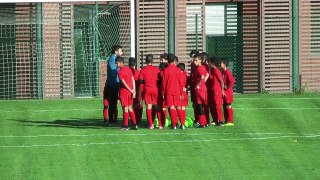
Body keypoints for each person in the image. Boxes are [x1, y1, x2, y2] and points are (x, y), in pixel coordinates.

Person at [138, 54, 160, 129]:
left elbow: (140, 82)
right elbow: (159, 80)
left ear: (145, 61)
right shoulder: (156, 69)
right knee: (156, 105)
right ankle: (160, 124)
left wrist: (140, 92)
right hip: (155, 89)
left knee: (149, 106)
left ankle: (150, 124)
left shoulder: (143, 70)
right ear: (152, 60)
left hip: (147, 89)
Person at [115, 56, 138, 130]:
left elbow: (124, 83)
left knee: (125, 108)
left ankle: (126, 125)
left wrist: (131, 90)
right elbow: (132, 80)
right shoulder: (129, 69)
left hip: (124, 92)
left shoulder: (120, 72)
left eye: (117, 63)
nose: (116, 65)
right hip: (130, 92)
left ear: (121, 63)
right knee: (130, 107)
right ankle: (134, 124)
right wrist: (133, 90)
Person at [103, 45, 123, 125]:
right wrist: (119, 81)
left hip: (113, 84)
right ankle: (110, 121)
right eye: (121, 51)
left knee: (113, 103)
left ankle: (113, 120)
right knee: (112, 103)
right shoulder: (112, 60)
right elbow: (114, 72)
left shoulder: (114, 59)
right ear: (116, 52)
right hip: (112, 85)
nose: (122, 53)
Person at [162, 54, 182, 129]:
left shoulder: (165, 70)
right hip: (177, 90)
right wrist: (181, 92)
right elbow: (180, 82)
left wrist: (163, 92)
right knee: (178, 107)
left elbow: (164, 83)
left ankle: (174, 124)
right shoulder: (178, 70)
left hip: (169, 91)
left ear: (167, 61)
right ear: (174, 61)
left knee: (172, 107)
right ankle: (182, 124)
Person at [193, 53, 209, 128]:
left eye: (196, 60)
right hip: (203, 87)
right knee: (202, 105)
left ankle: (202, 123)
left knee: (199, 105)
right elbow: (207, 75)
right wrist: (203, 82)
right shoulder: (203, 67)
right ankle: (205, 122)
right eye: (194, 60)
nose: (194, 62)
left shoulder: (199, 68)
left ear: (200, 61)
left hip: (200, 89)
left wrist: (198, 85)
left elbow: (202, 76)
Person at [208, 56, 225, 126]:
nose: (209, 64)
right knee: (213, 105)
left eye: (210, 63)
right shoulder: (212, 70)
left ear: (213, 63)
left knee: (218, 106)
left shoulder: (216, 71)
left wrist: (222, 90)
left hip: (217, 91)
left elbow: (221, 81)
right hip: (213, 90)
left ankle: (220, 121)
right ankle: (216, 120)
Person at [221, 58, 236, 126]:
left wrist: (227, 87)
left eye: (221, 63)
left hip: (228, 92)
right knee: (224, 106)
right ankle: (226, 120)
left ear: (224, 64)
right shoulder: (223, 72)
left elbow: (232, 81)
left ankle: (230, 121)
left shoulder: (228, 72)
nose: (219, 64)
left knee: (228, 106)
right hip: (224, 92)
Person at [129, 57, 143, 124]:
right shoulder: (138, 72)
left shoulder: (126, 71)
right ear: (135, 64)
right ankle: (138, 119)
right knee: (138, 105)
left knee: (127, 106)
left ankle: (131, 120)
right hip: (136, 91)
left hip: (128, 91)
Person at [188, 50, 199, 124]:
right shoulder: (192, 65)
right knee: (194, 104)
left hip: (197, 87)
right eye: (191, 57)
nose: (192, 59)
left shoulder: (200, 66)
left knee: (199, 103)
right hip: (193, 86)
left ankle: (201, 120)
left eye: (193, 57)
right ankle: (197, 119)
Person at [157, 62, 168, 129]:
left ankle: (160, 124)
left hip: (159, 91)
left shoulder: (160, 73)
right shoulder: (166, 73)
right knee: (164, 108)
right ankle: (163, 123)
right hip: (165, 92)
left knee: (159, 107)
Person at [177, 63, 188, 129]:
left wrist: (181, 93)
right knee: (183, 108)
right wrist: (187, 88)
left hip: (181, 93)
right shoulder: (185, 74)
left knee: (179, 108)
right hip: (185, 93)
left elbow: (180, 85)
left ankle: (182, 123)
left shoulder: (179, 75)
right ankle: (183, 122)